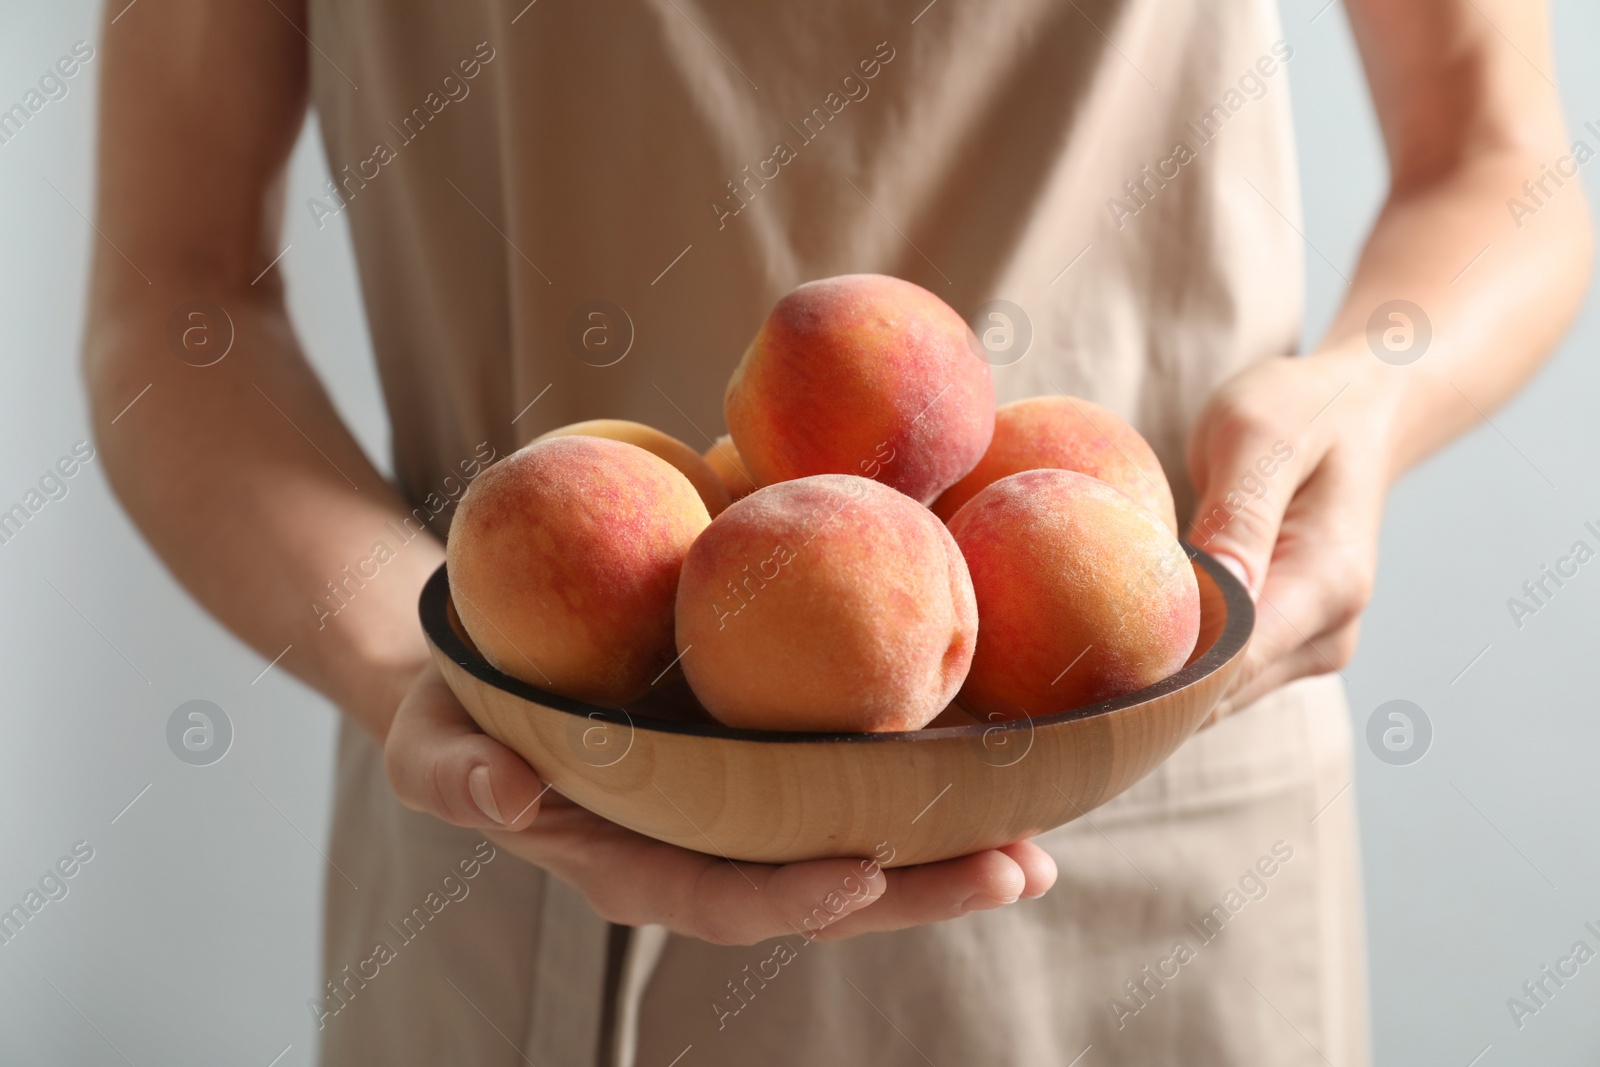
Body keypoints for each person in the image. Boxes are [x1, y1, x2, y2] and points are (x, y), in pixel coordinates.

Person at [85, 0, 1588, 1063]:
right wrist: (405, 662)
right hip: (523, 805)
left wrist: (1362, 401)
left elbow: (1499, 160)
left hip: (1133, 802)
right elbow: (178, 295)